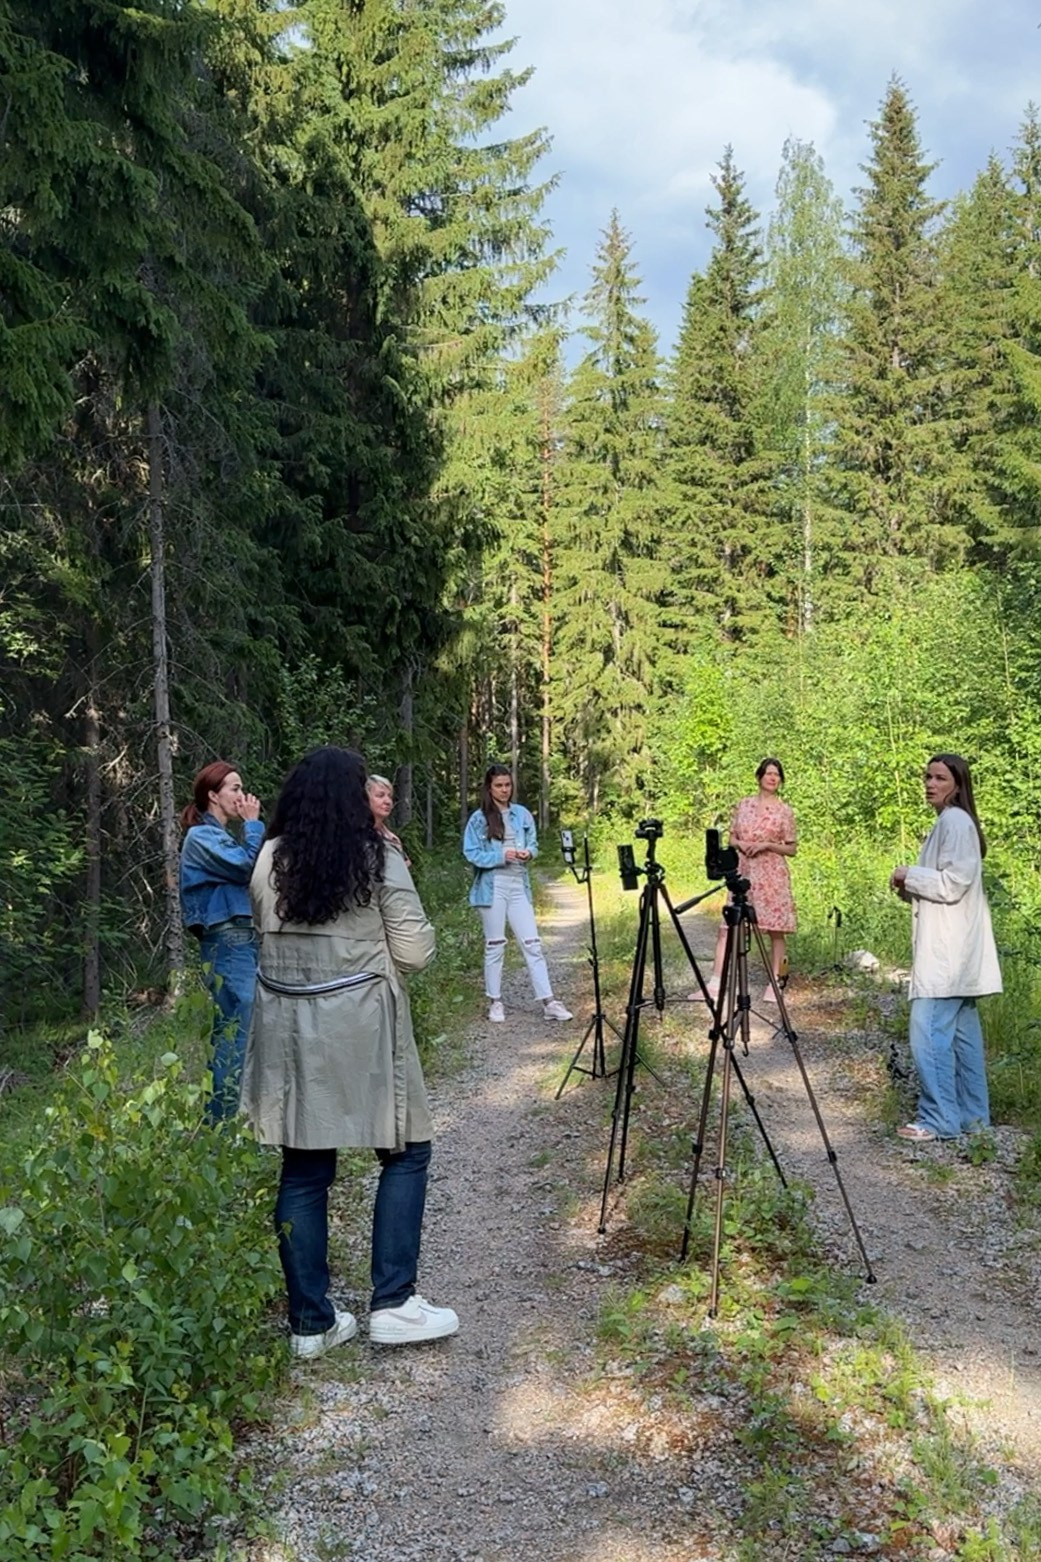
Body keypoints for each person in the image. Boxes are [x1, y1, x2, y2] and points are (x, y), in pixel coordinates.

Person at [240, 746, 458, 1358]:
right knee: (406, 1149)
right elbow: (414, 952)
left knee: (305, 1168)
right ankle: (393, 1302)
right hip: (363, 1026)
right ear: (353, 797)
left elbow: (263, 933)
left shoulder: (269, 857)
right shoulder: (376, 857)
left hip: (288, 1028)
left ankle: (311, 1322)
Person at [889, 753, 1001, 1143]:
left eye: (939, 778)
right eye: (927, 776)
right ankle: (972, 1117)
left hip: (949, 957)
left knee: (928, 1031)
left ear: (957, 784)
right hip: (956, 951)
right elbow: (946, 887)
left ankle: (938, 1118)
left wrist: (909, 874)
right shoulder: (951, 823)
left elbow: (954, 882)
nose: (930, 784)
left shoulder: (954, 821)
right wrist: (910, 887)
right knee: (962, 1038)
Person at [179, 761, 265, 1123]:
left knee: (242, 1028)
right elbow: (246, 867)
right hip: (227, 942)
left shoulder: (220, 837)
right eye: (234, 788)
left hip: (241, 939)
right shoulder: (201, 837)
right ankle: (220, 1127)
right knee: (235, 1031)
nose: (242, 795)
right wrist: (254, 825)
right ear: (212, 796)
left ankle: (234, 1122)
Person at [462, 763, 572, 1024]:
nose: (504, 790)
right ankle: (495, 1001)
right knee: (495, 944)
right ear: (489, 788)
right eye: (498, 785)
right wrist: (501, 855)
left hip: (518, 885)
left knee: (532, 943)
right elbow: (471, 853)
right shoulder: (479, 819)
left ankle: (549, 1002)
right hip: (492, 888)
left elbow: (533, 843)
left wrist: (528, 853)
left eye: (507, 785)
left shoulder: (522, 814)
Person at [705, 758, 797, 1005]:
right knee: (729, 927)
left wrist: (767, 845)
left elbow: (792, 849)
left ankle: (775, 981)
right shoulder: (744, 805)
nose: (772, 777)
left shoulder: (784, 811)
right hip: (744, 870)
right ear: (759, 777)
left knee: (775, 929)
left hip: (772, 874)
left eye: (777, 774)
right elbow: (732, 839)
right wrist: (741, 844)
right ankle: (715, 983)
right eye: (768, 773)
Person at [367, 773, 411, 866]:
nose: (387, 801)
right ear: (366, 799)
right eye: (380, 795)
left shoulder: (392, 838)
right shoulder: (357, 834)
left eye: (389, 796)